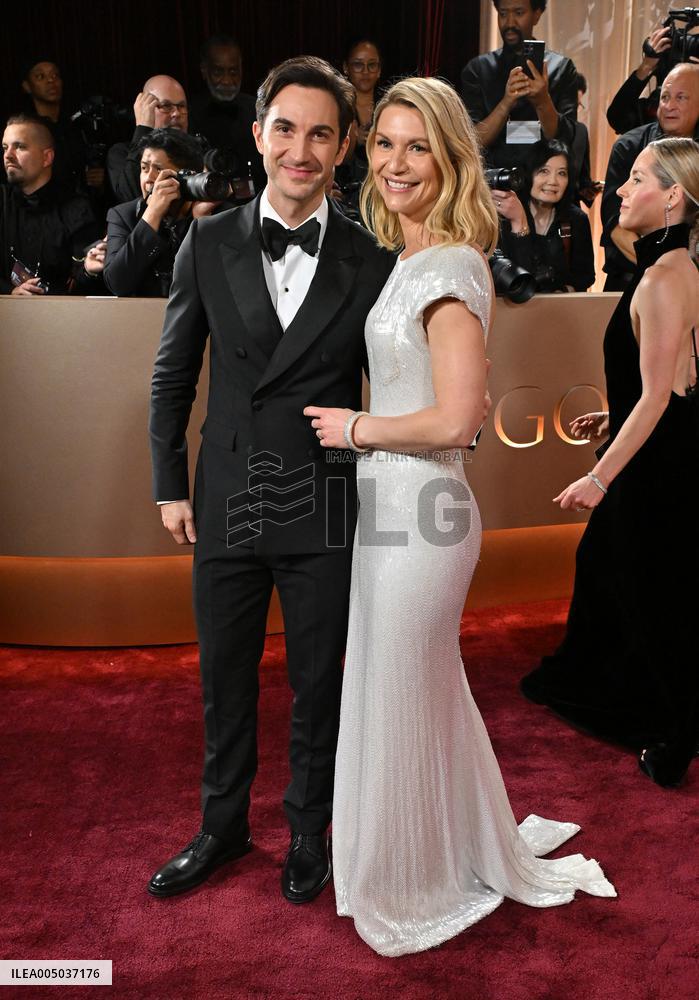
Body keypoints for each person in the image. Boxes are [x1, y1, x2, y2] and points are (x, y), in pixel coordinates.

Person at [305, 77, 615, 958]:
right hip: (389, 509)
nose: (396, 163)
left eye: (417, 147)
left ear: (448, 160)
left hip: (424, 509)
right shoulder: (408, 260)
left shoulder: (447, 265)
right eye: (384, 144)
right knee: (413, 689)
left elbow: (457, 420)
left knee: (406, 689)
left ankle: (415, 878)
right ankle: (426, 851)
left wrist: (353, 428)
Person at [147, 57, 394, 902]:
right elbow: (173, 374)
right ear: (257, 135)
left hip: (323, 502)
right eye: (284, 128)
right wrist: (168, 484)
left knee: (319, 684)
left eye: (320, 132)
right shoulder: (206, 239)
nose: (300, 148)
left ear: (343, 147)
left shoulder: (370, 257)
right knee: (224, 678)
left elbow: (393, 383)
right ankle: (220, 828)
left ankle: (308, 832)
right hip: (223, 499)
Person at [521, 137, 699, 790]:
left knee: (649, 590)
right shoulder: (673, 268)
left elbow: (659, 394)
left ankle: (674, 733)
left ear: (673, 197)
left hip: (659, 462)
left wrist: (599, 476)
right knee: (622, 575)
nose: (619, 190)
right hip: (667, 445)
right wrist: (612, 413)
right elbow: (678, 378)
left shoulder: (662, 277)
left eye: (637, 180)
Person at [601, 63, 699, 290]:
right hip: (629, 281)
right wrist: (666, 274)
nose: (668, 106)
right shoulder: (629, 146)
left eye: (681, 98)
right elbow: (615, 224)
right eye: (664, 97)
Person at [461, 0, 578, 172]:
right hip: (493, 182)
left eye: (518, 13)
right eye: (503, 14)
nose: (509, 23)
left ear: (536, 15)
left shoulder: (561, 67)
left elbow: (564, 138)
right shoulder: (478, 69)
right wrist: (506, 103)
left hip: (544, 182)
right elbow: (471, 141)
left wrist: (542, 100)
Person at [104, 130, 222, 297]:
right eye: (144, 168)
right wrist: (152, 215)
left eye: (159, 170)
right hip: (143, 318)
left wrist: (201, 223)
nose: (148, 179)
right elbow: (117, 282)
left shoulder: (216, 213)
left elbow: (222, 284)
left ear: (187, 177)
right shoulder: (123, 216)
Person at [0, 114, 102, 295]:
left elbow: (84, 279)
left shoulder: (76, 208)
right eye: (5, 148)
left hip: (61, 315)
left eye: (20, 147)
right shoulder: (2, 201)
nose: (8, 156)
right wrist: (10, 292)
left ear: (47, 157)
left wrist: (88, 271)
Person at [493, 138, 595, 292]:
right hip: (512, 309)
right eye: (544, 171)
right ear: (528, 174)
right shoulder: (505, 214)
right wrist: (518, 222)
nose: (553, 181)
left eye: (562, 173)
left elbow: (585, 277)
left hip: (560, 311)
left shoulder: (576, 219)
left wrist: (564, 292)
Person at [188, 35, 265, 196]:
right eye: (218, 72)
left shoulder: (257, 109)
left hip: (256, 203)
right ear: (204, 70)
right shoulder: (188, 113)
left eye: (233, 71)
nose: (227, 80)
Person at [106, 76, 190, 205]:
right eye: (166, 106)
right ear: (146, 108)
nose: (176, 113)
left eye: (181, 106)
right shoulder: (120, 153)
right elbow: (131, 198)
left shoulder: (197, 151)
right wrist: (143, 128)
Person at [336, 38, 383, 218]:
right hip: (346, 193)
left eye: (372, 65)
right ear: (346, 68)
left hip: (382, 191)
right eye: (358, 65)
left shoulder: (388, 105)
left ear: (379, 70)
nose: (365, 72)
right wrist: (353, 138)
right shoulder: (338, 106)